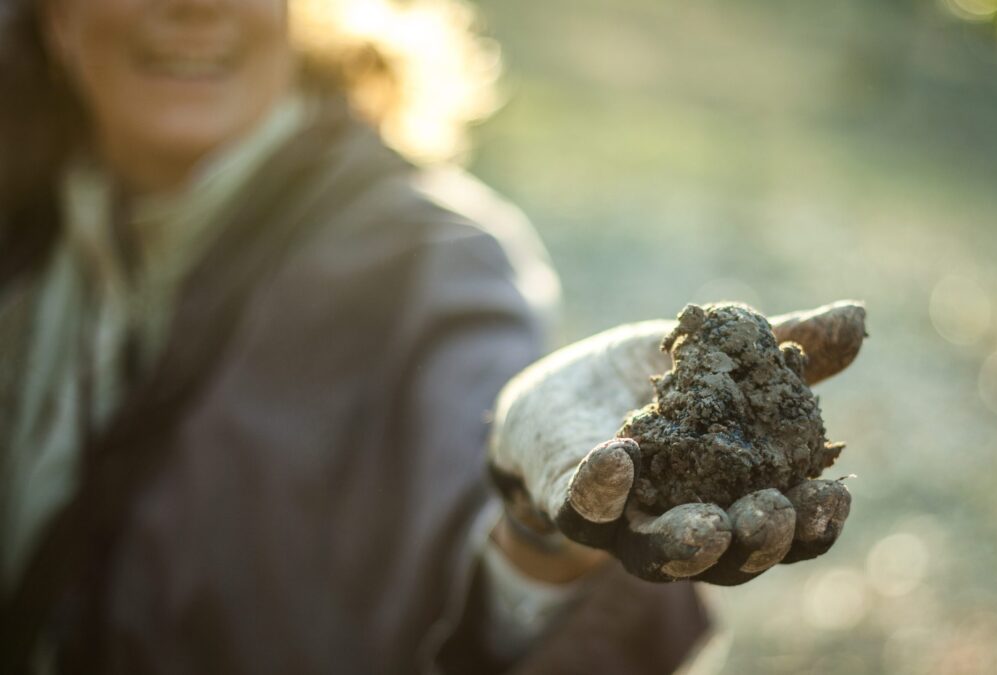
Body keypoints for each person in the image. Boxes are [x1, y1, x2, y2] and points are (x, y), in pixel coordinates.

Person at [0, 1, 862, 673]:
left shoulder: (433, 264)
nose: (193, 8)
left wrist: (543, 540)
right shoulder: (29, 232)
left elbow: (469, 539)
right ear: (53, 17)